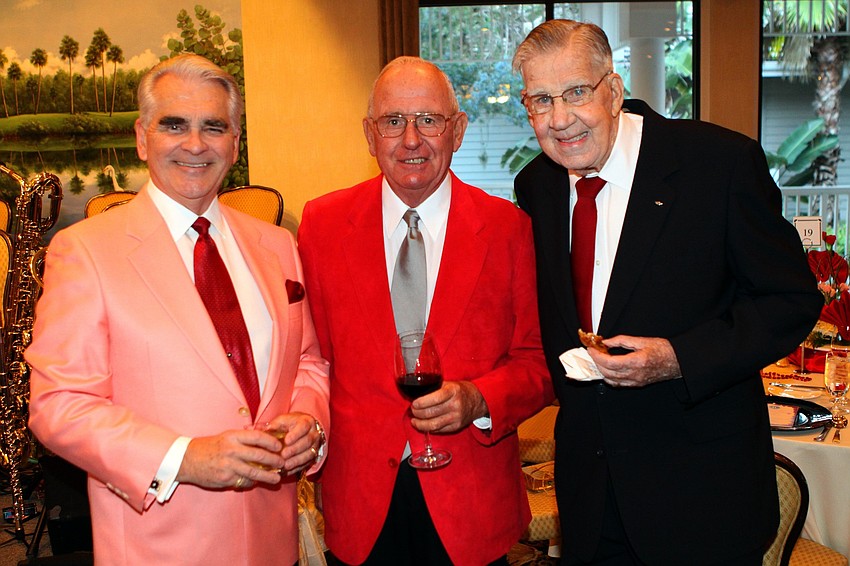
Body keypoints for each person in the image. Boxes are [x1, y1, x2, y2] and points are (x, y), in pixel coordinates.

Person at [510, 19, 823, 566]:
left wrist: (679, 359)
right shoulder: (535, 183)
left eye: (576, 93)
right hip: (591, 499)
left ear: (612, 90)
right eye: (540, 101)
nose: (560, 120)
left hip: (702, 499)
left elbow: (790, 300)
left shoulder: (718, 164)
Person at [26, 54, 330, 566]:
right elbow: (59, 405)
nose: (195, 144)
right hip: (158, 543)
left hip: (272, 541)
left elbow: (307, 364)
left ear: (235, 143)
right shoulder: (85, 251)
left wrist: (309, 421)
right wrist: (183, 458)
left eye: (214, 127)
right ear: (143, 138)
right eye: (174, 125)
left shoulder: (277, 243)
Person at [297, 56, 553, 566]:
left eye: (428, 120)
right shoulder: (321, 225)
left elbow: (539, 361)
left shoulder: (508, 229)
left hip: (472, 505)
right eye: (393, 122)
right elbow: (312, 359)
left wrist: (479, 399)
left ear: (456, 130)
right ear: (370, 135)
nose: (410, 139)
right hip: (361, 503)